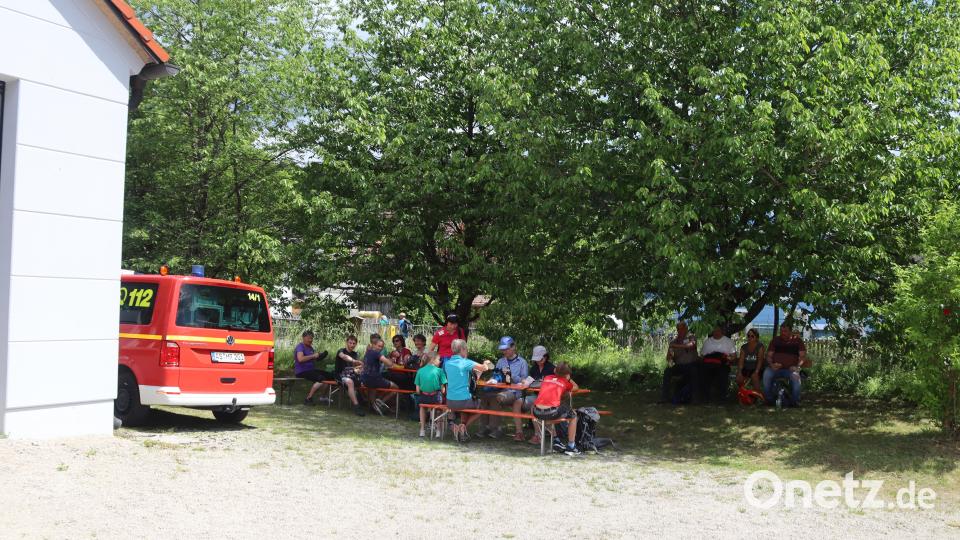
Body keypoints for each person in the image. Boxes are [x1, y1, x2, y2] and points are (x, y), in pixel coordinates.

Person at [478, 336, 530, 441]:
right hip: (501, 389)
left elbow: (525, 382)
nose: (504, 351)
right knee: (484, 397)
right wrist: (494, 380)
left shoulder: (522, 362)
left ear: (513, 347)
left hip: (515, 392)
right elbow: (496, 375)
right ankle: (485, 427)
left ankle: (496, 428)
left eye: (506, 349)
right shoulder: (501, 361)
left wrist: (511, 376)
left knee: (498, 397)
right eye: (502, 349)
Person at [531, 362, 580, 455]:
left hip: (536, 412)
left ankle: (556, 440)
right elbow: (576, 388)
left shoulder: (547, 378)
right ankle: (571, 446)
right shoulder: (565, 382)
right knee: (573, 415)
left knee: (544, 416)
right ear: (567, 374)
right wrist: (569, 379)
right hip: (551, 412)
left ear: (554, 370)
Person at [442, 339, 487, 442]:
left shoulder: (447, 363)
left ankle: (458, 427)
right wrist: (486, 362)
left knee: (465, 404)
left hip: (450, 401)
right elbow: (483, 368)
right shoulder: (465, 362)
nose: (467, 351)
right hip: (464, 401)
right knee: (481, 406)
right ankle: (463, 426)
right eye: (466, 349)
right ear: (462, 349)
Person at [763, 323, 809, 406]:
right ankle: (769, 400)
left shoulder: (797, 341)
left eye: (785, 331)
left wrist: (797, 367)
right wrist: (772, 364)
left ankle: (794, 402)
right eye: (781, 331)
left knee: (796, 377)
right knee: (767, 373)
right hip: (776, 369)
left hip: (790, 370)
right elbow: (769, 356)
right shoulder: (775, 340)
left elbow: (802, 357)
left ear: (791, 332)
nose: (783, 333)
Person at [659, 321, 699, 404]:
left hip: (691, 364)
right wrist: (670, 356)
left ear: (686, 329)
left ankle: (695, 398)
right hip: (679, 365)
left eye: (683, 329)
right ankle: (664, 397)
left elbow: (691, 345)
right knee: (667, 371)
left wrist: (676, 346)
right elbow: (668, 359)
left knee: (694, 371)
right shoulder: (673, 342)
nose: (681, 331)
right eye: (679, 329)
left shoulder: (691, 337)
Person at [361, 336, 400, 415]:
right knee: (396, 388)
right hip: (374, 379)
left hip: (365, 379)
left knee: (372, 389)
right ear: (374, 345)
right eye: (379, 346)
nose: (380, 348)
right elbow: (387, 363)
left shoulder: (368, 352)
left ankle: (374, 406)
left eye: (382, 347)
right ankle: (381, 401)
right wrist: (391, 361)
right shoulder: (376, 353)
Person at [699, 325, 737, 402]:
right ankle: (705, 397)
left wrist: (727, 359)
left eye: (718, 330)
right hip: (709, 365)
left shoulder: (728, 341)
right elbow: (702, 356)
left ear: (722, 331)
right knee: (703, 372)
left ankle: (722, 398)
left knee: (722, 373)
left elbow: (734, 357)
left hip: (723, 365)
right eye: (714, 331)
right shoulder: (707, 342)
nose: (716, 332)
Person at [294, 330, 332, 405]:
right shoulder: (300, 347)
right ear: (303, 338)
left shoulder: (310, 348)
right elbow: (300, 359)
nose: (310, 340)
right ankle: (308, 398)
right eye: (309, 338)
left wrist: (321, 356)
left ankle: (323, 397)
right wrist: (313, 356)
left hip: (311, 370)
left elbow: (314, 359)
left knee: (329, 376)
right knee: (321, 378)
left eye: (312, 338)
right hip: (302, 371)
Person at [414, 351, 446, 437]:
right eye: (439, 359)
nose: (440, 361)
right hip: (436, 396)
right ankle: (438, 431)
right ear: (432, 360)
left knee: (422, 407)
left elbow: (417, 389)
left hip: (423, 396)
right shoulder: (440, 371)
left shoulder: (420, 370)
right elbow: (443, 389)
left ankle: (422, 430)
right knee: (439, 410)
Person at [334, 335, 365, 416]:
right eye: (350, 343)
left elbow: (355, 368)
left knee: (365, 380)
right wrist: (355, 361)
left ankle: (367, 403)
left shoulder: (355, 354)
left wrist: (360, 368)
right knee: (350, 382)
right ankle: (356, 406)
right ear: (346, 342)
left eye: (354, 343)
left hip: (351, 374)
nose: (352, 345)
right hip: (340, 375)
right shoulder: (341, 351)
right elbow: (344, 357)